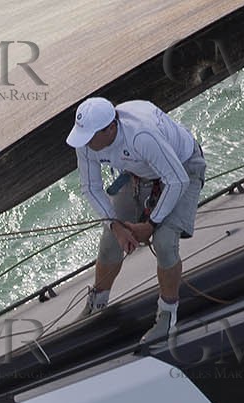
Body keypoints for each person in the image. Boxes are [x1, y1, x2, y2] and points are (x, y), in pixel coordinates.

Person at [66, 97, 206, 346]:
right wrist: (116, 226)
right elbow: (91, 188)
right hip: (140, 172)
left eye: (89, 136)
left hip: (182, 168)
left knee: (164, 243)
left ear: (110, 128)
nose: (84, 142)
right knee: (110, 241)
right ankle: (97, 304)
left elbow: (177, 181)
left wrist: (150, 225)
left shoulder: (141, 135)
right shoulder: (87, 142)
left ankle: (167, 316)